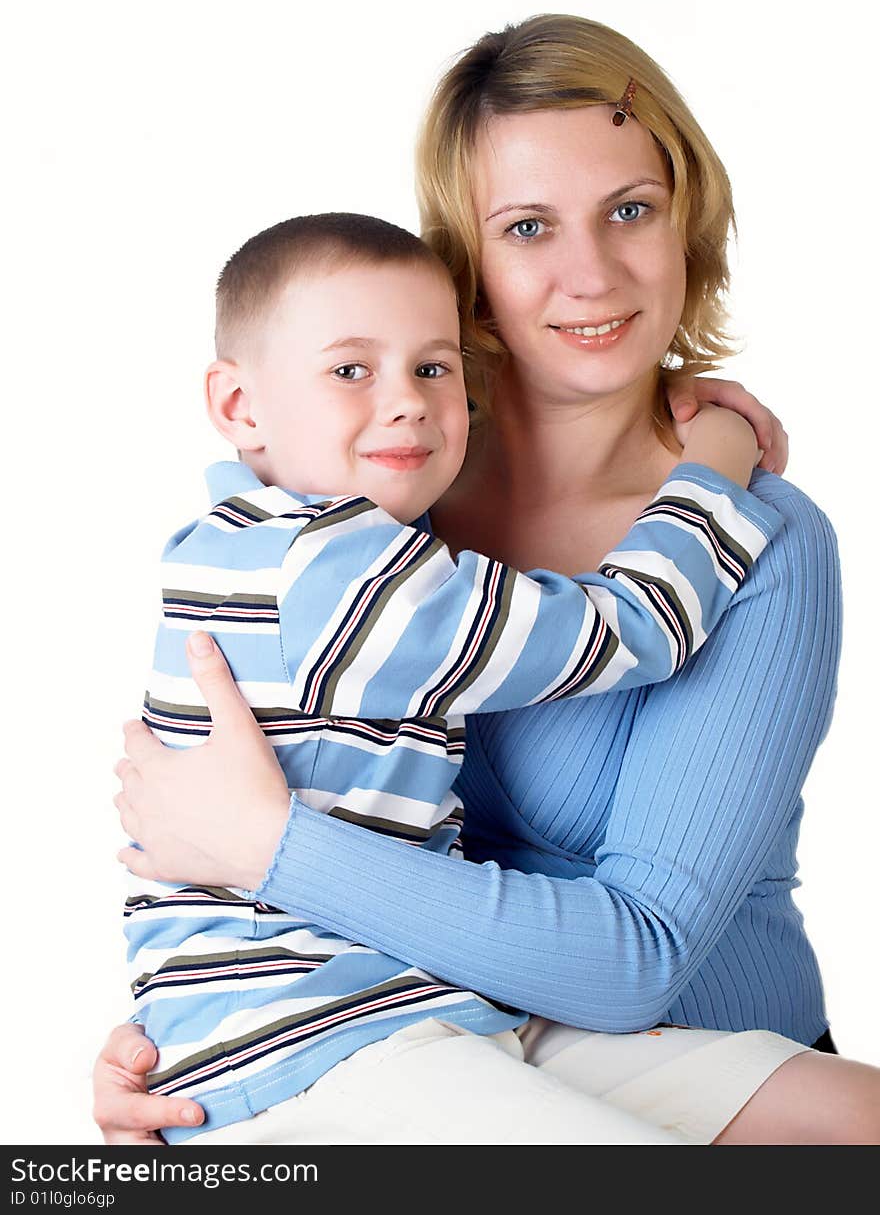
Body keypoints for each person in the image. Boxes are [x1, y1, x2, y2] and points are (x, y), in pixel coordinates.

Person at [100, 15, 880, 1145]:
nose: (591, 272)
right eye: (526, 227)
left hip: (673, 1042)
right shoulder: (380, 513)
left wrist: (269, 848)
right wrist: (179, 1040)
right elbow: (241, 849)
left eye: (631, 209)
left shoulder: (761, 537)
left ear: (686, 220)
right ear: (464, 263)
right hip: (424, 1044)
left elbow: (634, 967)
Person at [127, 209, 777, 1146]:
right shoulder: (350, 571)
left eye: (434, 368)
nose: (406, 401)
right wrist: (718, 456)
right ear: (239, 405)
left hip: (384, 1005)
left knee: (838, 1114)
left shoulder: (227, 542)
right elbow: (634, 628)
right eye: (351, 370)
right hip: (315, 1043)